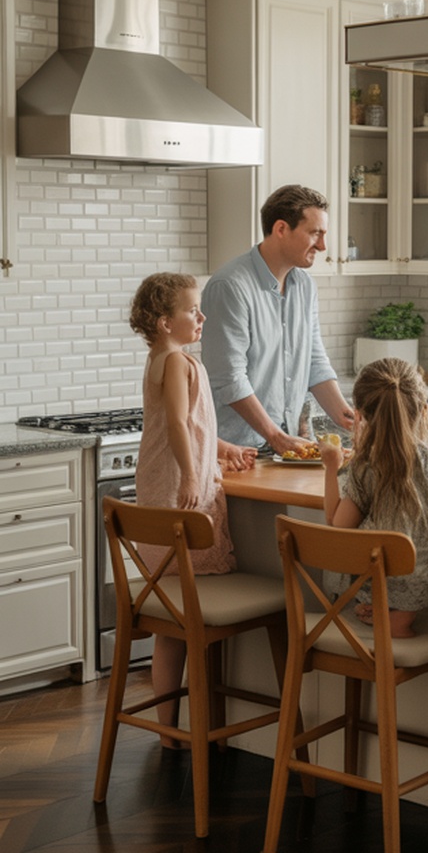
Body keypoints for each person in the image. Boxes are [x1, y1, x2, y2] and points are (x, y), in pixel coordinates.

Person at [129, 272, 256, 744]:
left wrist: (222, 450)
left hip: (156, 491)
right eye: (192, 310)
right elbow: (180, 425)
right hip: (178, 494)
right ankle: (209, 724)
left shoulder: (160, 358)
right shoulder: (179, 361)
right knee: (187, 615)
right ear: (165, 322)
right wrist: (189, 474)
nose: (202, 317)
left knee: (171, 622)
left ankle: (167, 732)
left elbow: (188, 424)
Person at [320, 358, 428, 638]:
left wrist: (331, 469)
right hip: (416, 586)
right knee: (406, 585)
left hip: (366, 584)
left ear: (359, 414)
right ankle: (397, 628)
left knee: (374, 574)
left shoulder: (363, 465)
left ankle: (377, 616)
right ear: (424, 411)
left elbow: (339, 525)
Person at [201, 184, 353, 457]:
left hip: (285, 447)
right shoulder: (230, 286)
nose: (322, 245)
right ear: (281, 229)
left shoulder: (305, 286)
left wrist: (349, 420)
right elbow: (229, 379)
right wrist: (275, 435)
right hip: (235, 453)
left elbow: (315, 364)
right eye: (315, 233)